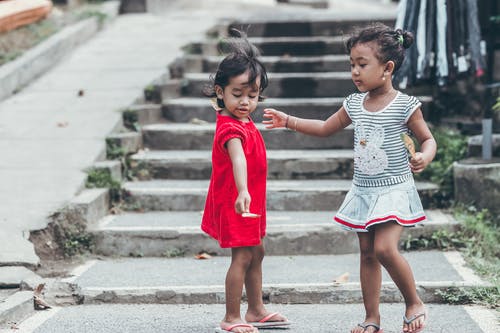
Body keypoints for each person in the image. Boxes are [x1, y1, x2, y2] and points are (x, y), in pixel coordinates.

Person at [263, 23, 436, 333]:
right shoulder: (354, 104)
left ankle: (413, 301)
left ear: (387, 68)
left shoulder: (405, 105)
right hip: (364, 190)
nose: (354, 72)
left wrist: (425, 156)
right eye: (352, 65)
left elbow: (428, 140)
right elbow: (324, 127)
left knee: (384, 249)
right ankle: (372, 318)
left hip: (394, 188)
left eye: (362, 64)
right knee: (367, 253)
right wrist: (288, 121)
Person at [201, 29, 289, 333]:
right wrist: (242, 191)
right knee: (242, 256)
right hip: (238, 200)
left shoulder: (243, 121)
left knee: (257, 251)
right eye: (237, 94)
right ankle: (231, 316)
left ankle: (255, 309)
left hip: (251, 200)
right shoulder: (230, 128)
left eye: (252, 96)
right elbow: (238, 158)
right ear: (219, 91)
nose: (245, 102)